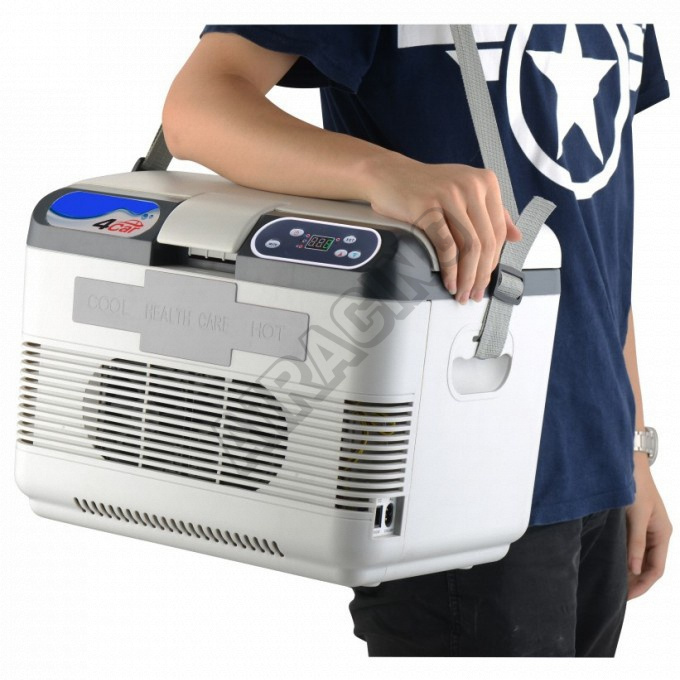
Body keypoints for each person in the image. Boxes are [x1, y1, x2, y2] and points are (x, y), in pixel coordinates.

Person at [161, 24, 673, 657]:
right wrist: (385, 174)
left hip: (597, 462)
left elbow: (591, 235)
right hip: (455, 473)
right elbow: (197, 107)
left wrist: (632, 449)